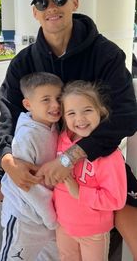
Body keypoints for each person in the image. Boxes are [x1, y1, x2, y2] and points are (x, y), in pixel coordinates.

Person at [0, 0, 137, 261]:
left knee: (134, 227)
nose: (51, 7)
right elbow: (8, 114)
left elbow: (127, 115)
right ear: (35, 12)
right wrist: (7, 158)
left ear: (74, 2)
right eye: (42, 2)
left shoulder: (106, 55)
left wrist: (72, 156)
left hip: (92, 155)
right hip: (34, 154)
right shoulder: (24, 62)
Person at [53, 80, 127, 261]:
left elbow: (116, 199)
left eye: (87, 110)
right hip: (63, 225)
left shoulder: (109, 155)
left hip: (93, 232)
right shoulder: (60, 140)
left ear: (100, 111)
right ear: (64, 116)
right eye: (71, 113)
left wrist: (79, 192)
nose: (80, 119)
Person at [0, 72, 63, 261]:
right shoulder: (27, 137)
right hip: (24, 219)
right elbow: (28, 185)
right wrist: (51, 218)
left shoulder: (52, 125)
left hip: (46, 217)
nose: (55, 105)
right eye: (46, 99)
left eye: (58, 98)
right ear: (28, 104)